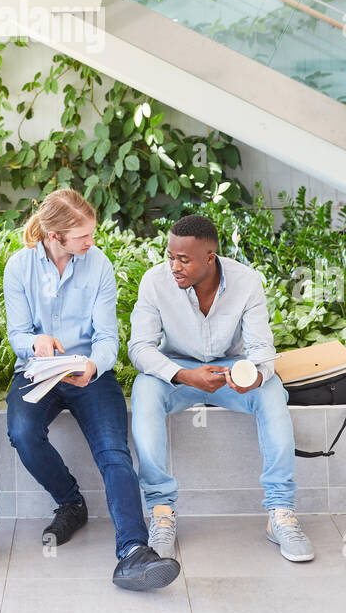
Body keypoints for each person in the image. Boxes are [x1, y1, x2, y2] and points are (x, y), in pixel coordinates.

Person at [4, 188, 180, 592]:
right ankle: (70, 503)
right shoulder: (19, 268)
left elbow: (107, 338)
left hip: (89, 373)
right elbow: (16, 334)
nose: (91, 241)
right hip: (37, 371)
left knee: (114, 453)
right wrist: (36, 343)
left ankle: (134, 551)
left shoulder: (97, 264)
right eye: (83, 236)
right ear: (54, 236)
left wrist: (93, 365)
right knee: (22, 433)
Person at [128, 214, 315, 563]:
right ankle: (161, 511)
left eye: (184, 259)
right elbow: (140, 349)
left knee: (273, 392)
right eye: (171, 256)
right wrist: (185, 376)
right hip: (177, 370)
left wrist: (256, 376)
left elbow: (261, 350)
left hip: (232, 372)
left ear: (210, 257)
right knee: (145, 391)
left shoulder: (246, 282)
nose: (174, 266)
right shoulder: (155, 282)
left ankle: (281, 513)